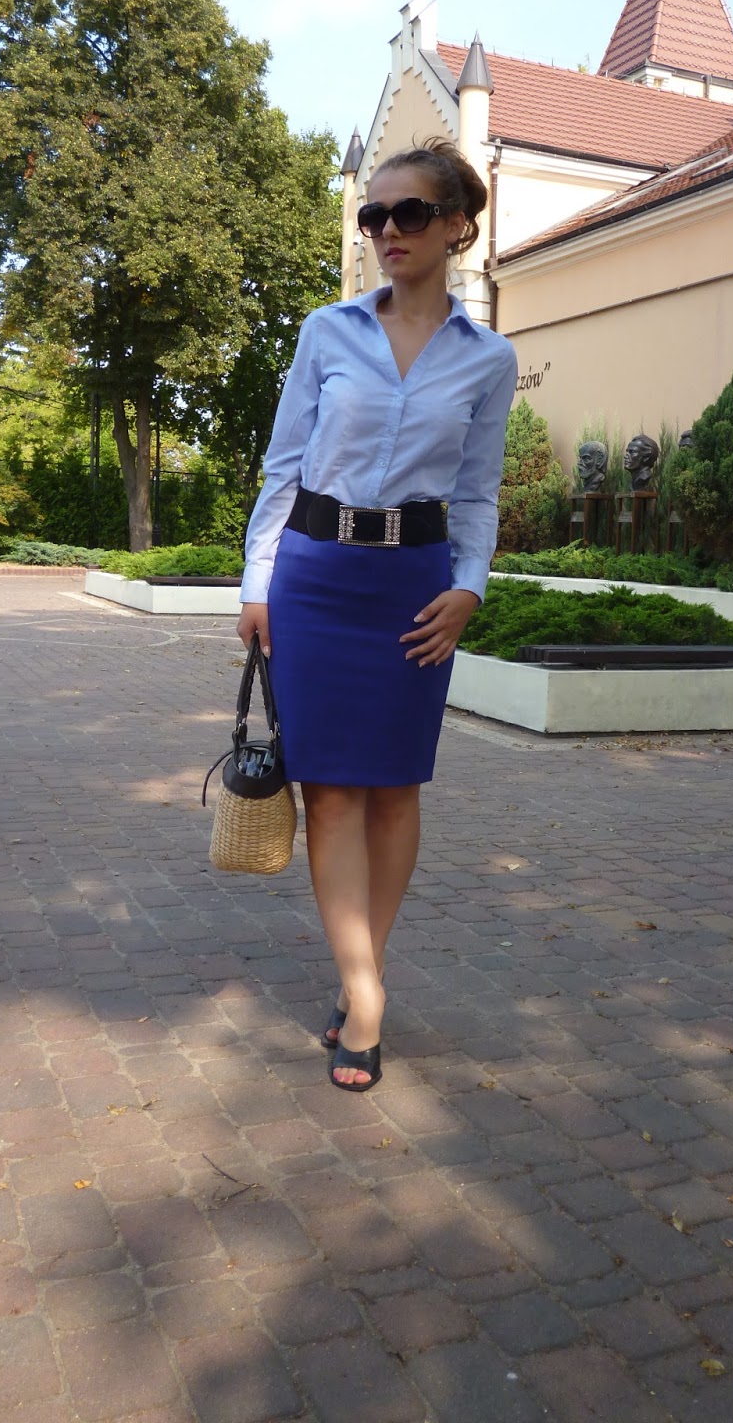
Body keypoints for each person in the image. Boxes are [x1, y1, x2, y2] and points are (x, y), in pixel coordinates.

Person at [236, 139, 518, 1092]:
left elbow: (477, 492)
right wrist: (257, 584)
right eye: (373, 215)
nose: (385, 231)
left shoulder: (489, 360)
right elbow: (283, 466)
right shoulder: (328, 331)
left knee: (395, 790)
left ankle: (363, 976)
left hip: (414, 588)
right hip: (316, 578)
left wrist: (470, 588)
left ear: (456, 227)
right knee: (330, 793)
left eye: (407, 213)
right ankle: (365, 993)